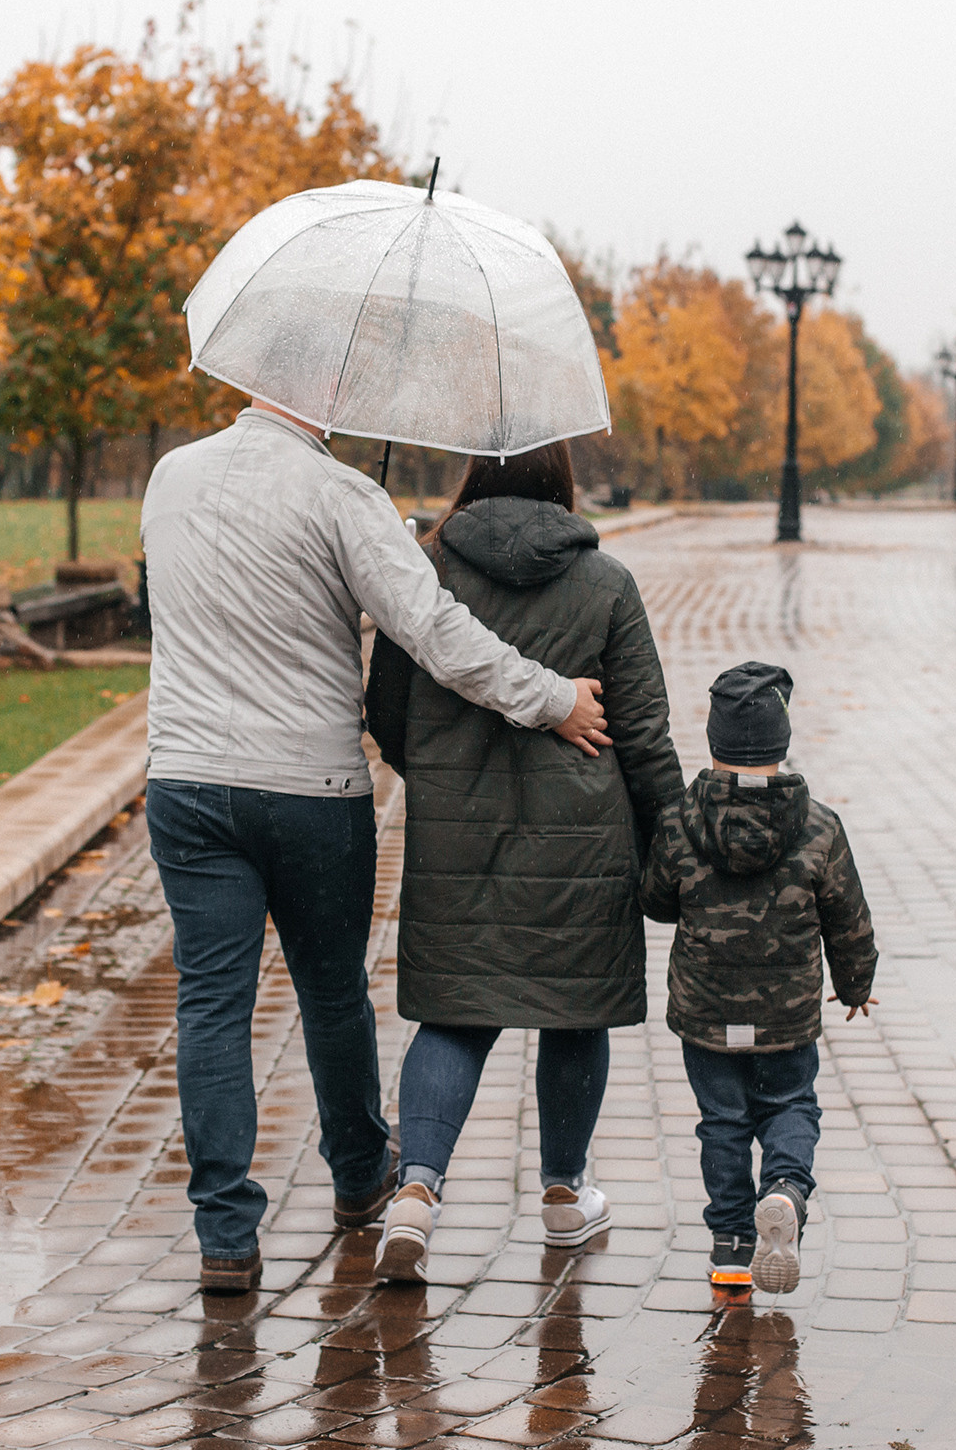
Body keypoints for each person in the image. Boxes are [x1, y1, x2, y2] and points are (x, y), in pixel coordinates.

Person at [140, 399, 615, 1295]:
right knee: (330, 994)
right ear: (318, 390)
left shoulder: (171, 476)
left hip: (189, 781)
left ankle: (226, 1238)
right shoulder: (341, 493)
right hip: (310, 790)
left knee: (211, 1005)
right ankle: (361, 1176)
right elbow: (436, 635)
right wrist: (551, 698)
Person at [362, 441, 682, 1283]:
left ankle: (416, 1193)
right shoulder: (605, 584)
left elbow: (386, 709)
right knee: (574, 1013)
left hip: (457, 831)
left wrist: (439, 772)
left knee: (456, 1013)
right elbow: (643, 733)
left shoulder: (427, 570)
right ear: (561, 479)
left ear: (475, 471)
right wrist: (675, 842)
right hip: (584, 838)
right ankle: (564, 1196)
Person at [639, 661, 876, 1295]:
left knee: (722, 1121)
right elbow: (848, 915)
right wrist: (855, 985)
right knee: (790, 1104)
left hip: (705, 1012)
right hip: (786, 1015)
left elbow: (657, 901)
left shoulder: (678, 821)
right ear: (783, 739)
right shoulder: (819, 825)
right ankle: (786, 1192)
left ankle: (732, 1247)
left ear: (715, 739)